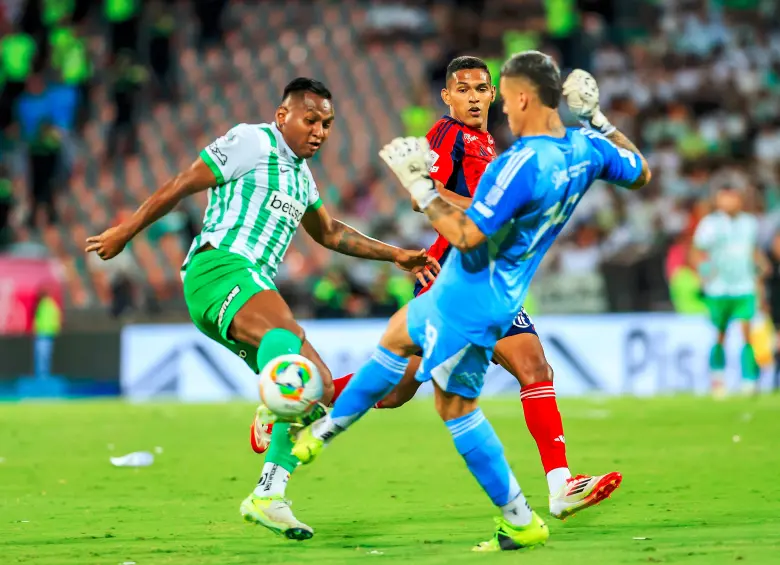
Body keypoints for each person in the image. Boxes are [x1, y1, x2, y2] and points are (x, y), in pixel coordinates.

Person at [292, 54, 651, 551]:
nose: (480, 98)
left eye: (486, 89)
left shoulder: (499, 147)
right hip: (453, 277)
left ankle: (556, 488)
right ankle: (302, 398)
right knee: (450, 394)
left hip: (490, 280)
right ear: (448, 97)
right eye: (467, 89)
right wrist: (477, 204)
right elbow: (431, 198)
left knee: (502, 373)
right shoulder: (451, 135)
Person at [85, 77, 438, 540]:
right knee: (288, 345)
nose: (319, 131)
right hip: (220, 268)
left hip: (246, 290)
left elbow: (330, 234)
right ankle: (272, 403)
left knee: (322, 388)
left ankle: (269, 493)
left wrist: (395, 254)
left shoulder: (302, 177)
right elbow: (183, 182)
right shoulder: (253, 140)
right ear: (282, 116)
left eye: (328, 124)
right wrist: (125, 231)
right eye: (310, 119)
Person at [692, 187, 766, 397]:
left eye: (733, 198)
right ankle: (718, 379)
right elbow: (697, 252)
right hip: (718, 289)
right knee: (719, 335)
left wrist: (760, 274)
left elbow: (753, 252)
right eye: (725, 198)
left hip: (744, 286)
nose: (730, 202)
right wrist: (705, 274)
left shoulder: (750, 223)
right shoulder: (710, 224)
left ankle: (749, 381)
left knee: (747, 334)